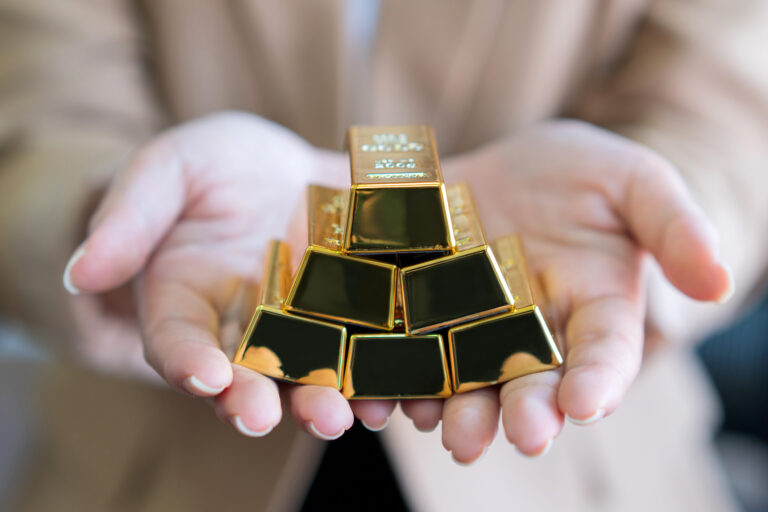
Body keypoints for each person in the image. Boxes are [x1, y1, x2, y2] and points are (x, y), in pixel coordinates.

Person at [1, 1, 766, 510]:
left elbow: (731, 106)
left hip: (589, 475)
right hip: (150, 470)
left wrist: (662, 207)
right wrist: (118, 213)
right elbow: (41, 105)